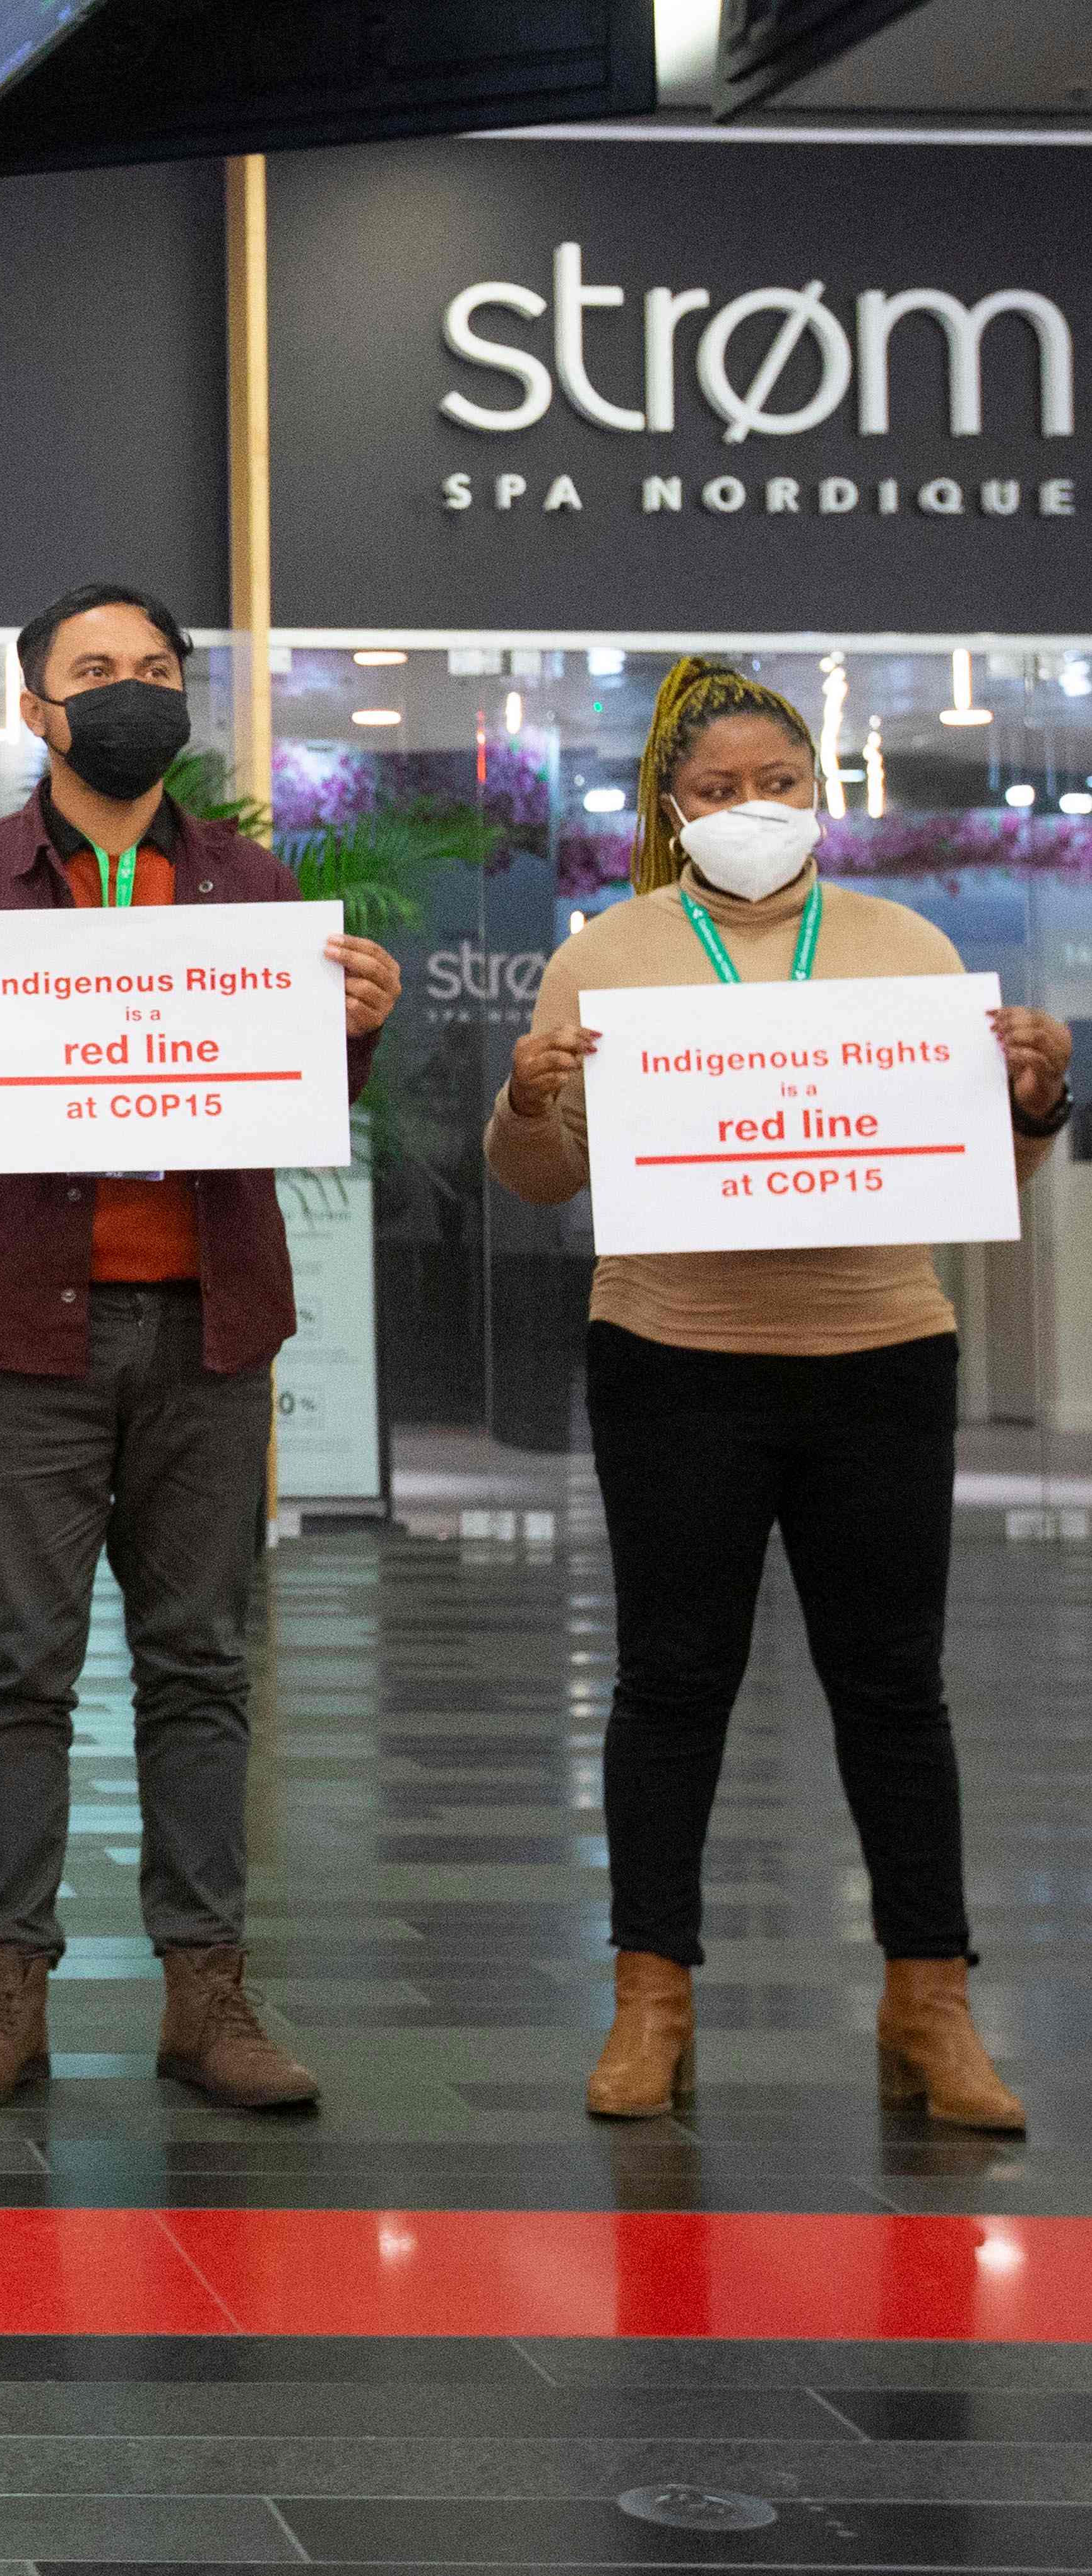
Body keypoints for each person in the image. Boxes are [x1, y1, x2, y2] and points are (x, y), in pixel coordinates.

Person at [0, 580, 403, 2114]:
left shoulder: (246, 882)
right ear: (34, 708)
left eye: (154, 670)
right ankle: (3, 1985)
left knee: (201, 1663)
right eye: (95, 671)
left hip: (209, 1325)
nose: (129, 690)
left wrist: (353, 1022)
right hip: (27, 1330)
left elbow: (296, 1099)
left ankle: (205, 1993)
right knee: (14, 1667)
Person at [489, 658, 1068, 2133]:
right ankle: (648, 1996)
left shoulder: (903, 945)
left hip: (877, 1351)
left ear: (820, 793)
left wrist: (1031, 1103)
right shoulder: (602, 953)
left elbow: (972, 1183)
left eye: (776, 785)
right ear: (669, 810)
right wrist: (522, 1099)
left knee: (890, 1688)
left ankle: (927, 2000)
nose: (750, 809)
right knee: (669, 1682)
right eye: (715, 790)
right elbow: (541, 1179)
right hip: (670, 1355)